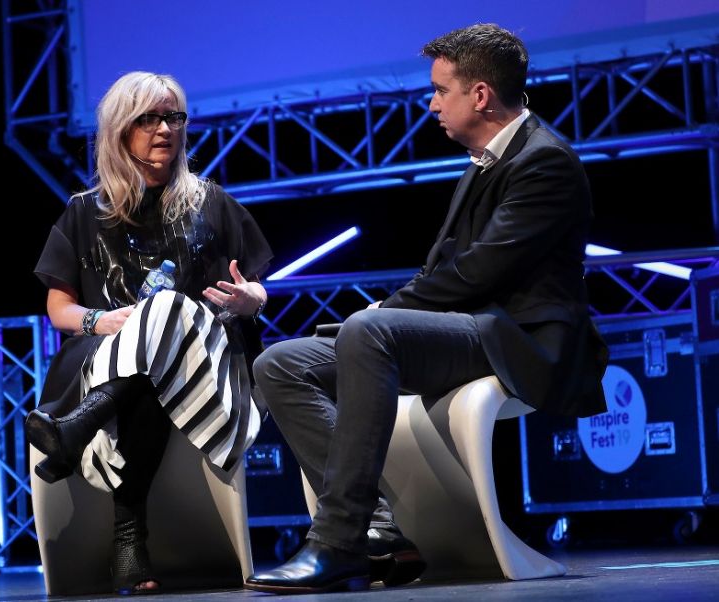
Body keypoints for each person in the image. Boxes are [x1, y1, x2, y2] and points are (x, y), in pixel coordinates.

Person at [245, 23, 609, 594]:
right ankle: (383, 533)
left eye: (441, 90)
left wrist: (373, 320)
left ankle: (337, 540)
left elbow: (476, 275)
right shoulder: (483, 161)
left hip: (521, 340)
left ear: (480, 95)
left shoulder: (546, 163)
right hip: (467, 329)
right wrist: (375, 318)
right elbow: (440, 272)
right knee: (280, 363)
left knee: (369, 333)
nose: (432, 103)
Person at [28, 71, 272, 595]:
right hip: (106, 360)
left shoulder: (211, 203)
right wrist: (104, 321)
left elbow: (254, 289)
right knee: (146, 353)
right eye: (149, 118)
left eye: (174, 117)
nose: (165, 128)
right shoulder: (83, 212)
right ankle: (127, 531)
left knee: (164, 310)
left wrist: (254, 298)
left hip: (203, 368)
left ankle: (79, 437)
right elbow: (59, 309)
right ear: (120, 129)